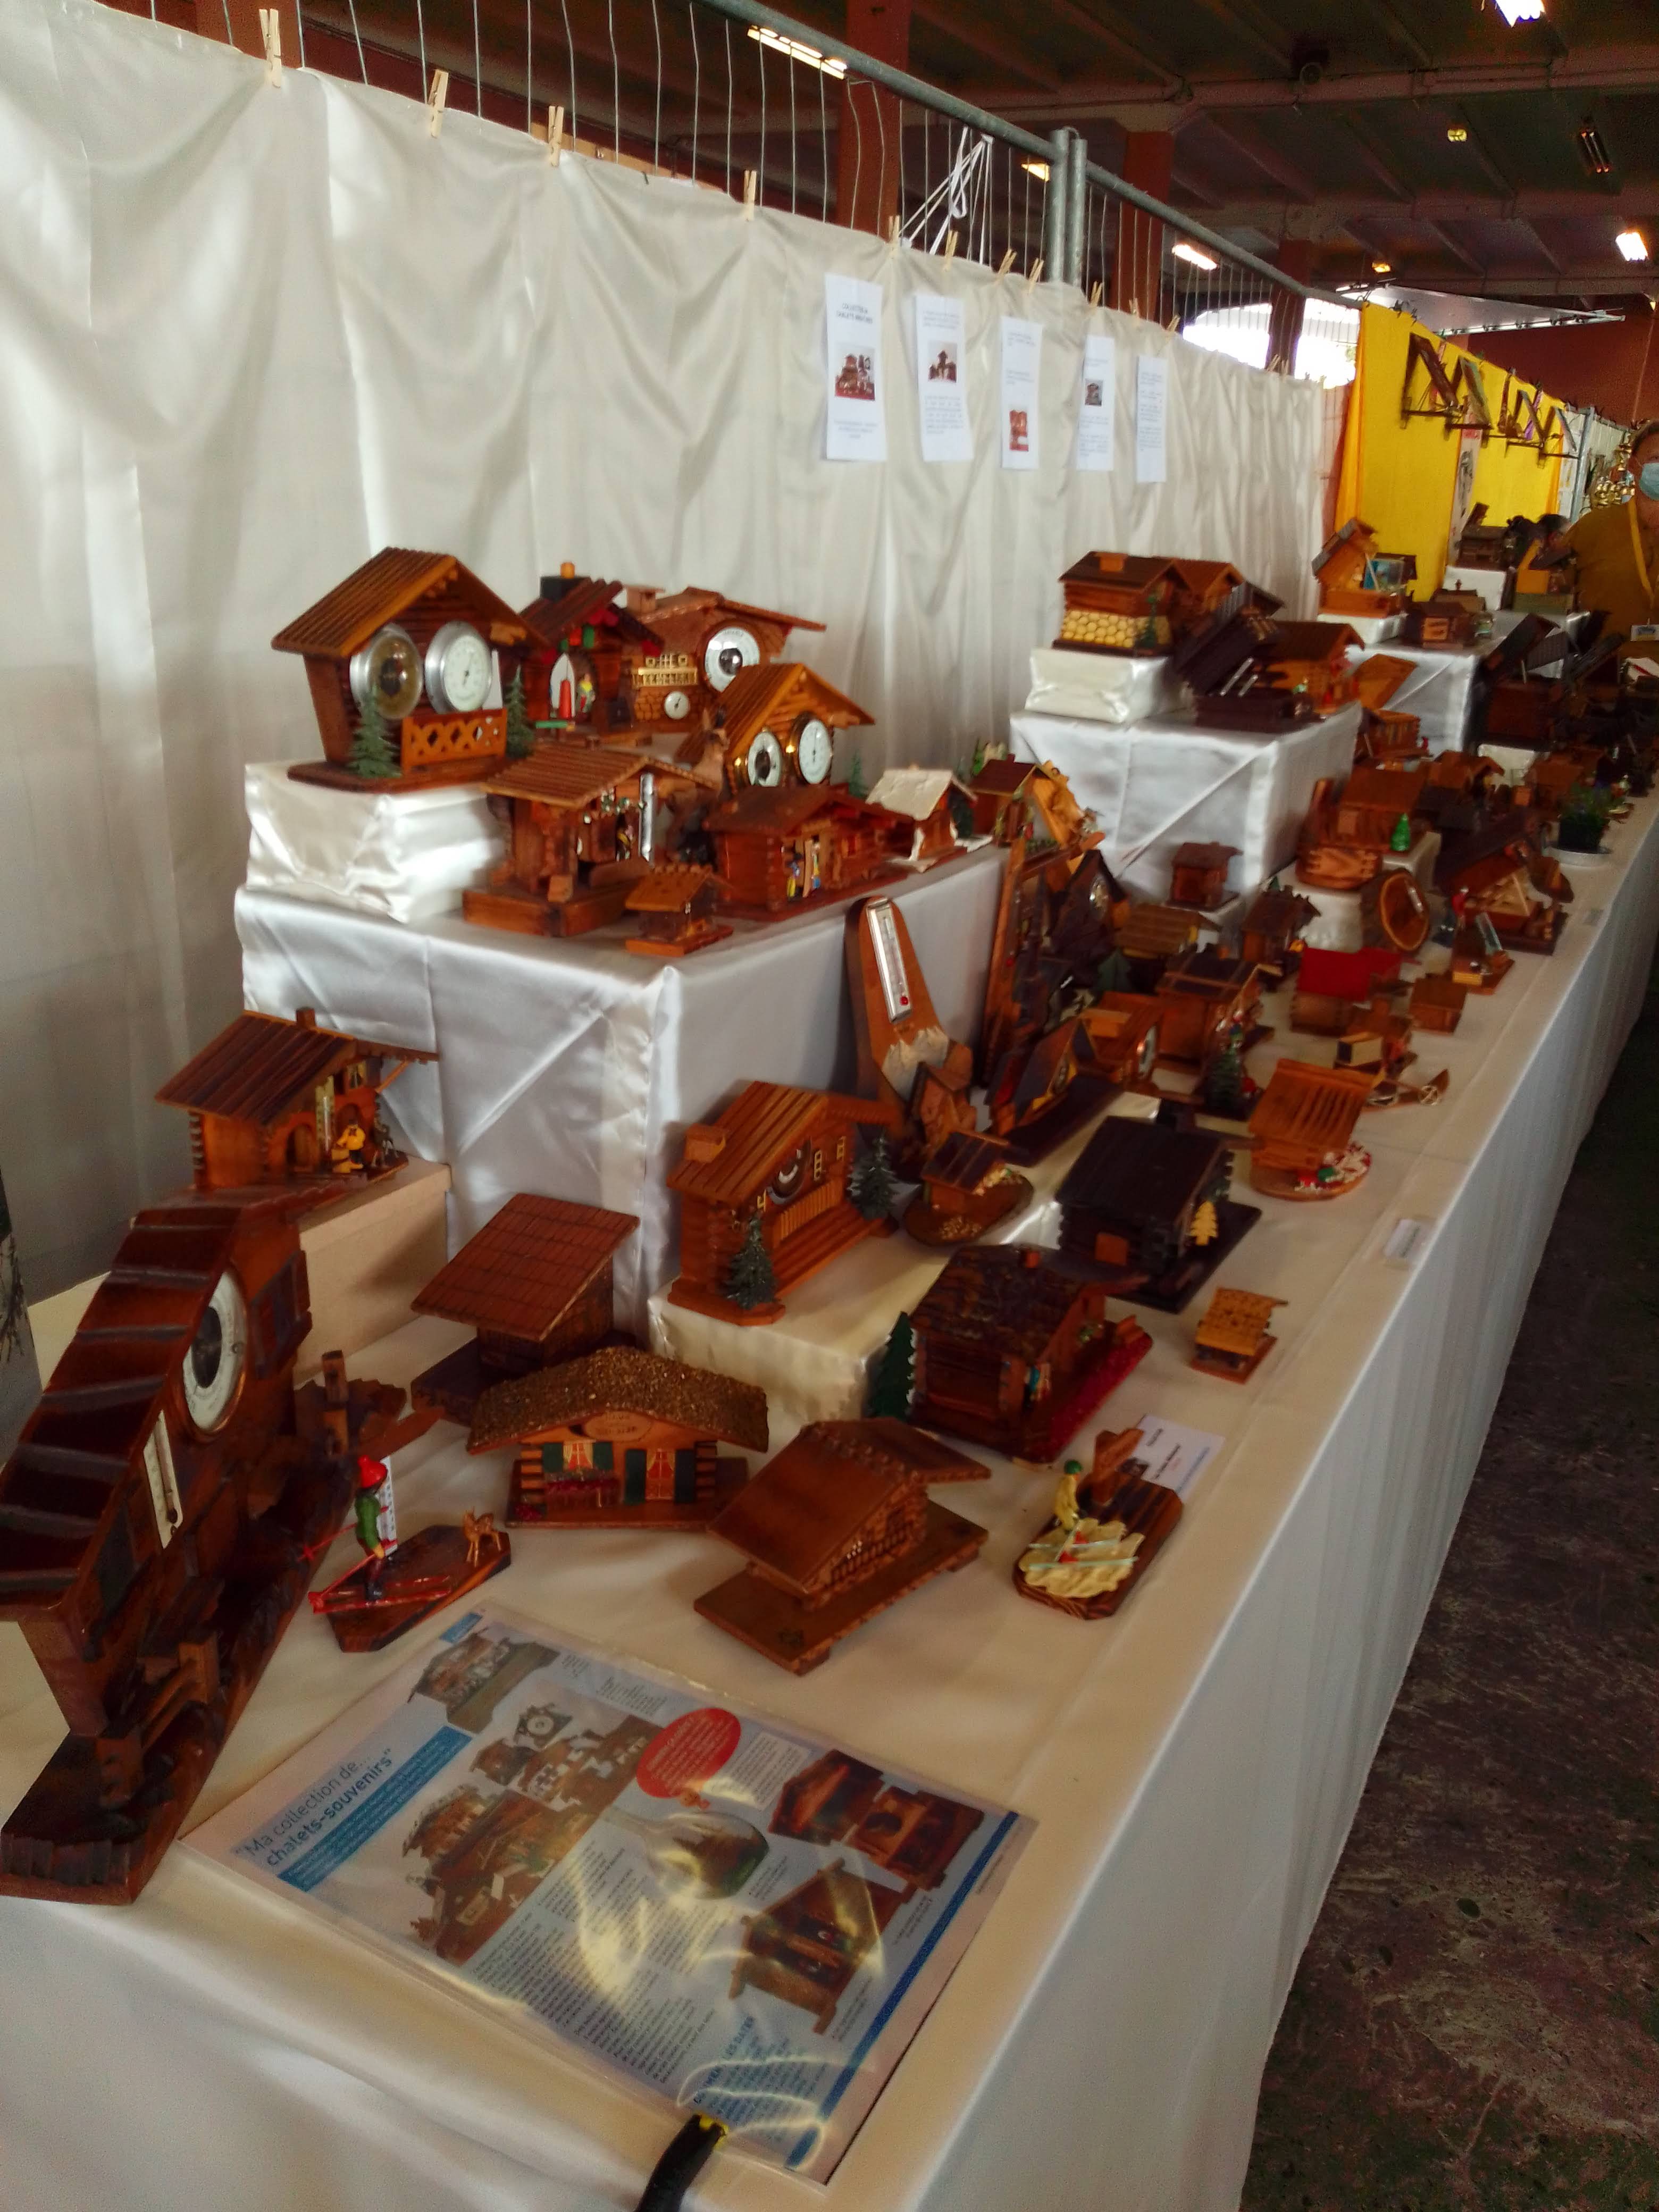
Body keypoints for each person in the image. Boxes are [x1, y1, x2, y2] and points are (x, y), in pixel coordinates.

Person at [1537, 418, 1659, 653]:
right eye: (1656, 459)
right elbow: (1549, 593)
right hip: (1600, 669)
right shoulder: (1594, 527)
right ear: (1633, 466)